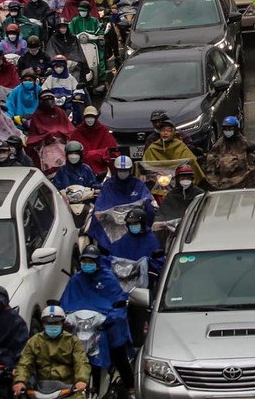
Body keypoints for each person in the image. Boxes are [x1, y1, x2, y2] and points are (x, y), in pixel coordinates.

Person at [59, 245, 134, 383]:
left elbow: (119, 300)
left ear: (98, 262)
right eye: (84, 261)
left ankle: (130, 387)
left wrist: (111, 317)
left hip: (106, 324)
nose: (87, 264)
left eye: (91, 261)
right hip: (81, 326)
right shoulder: (76, 279)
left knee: (118, 352)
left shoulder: (108, 279)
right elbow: (65, 302)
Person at [11, 305, 90, 397]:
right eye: (48, 323)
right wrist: (20, 381)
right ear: (43, 324)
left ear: (62, 323)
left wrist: (81, 380)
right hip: (40, 390)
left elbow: (81, 363)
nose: (52, 326)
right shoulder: (34, 341)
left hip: (67, 389)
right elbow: (24, 363)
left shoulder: (73, 341)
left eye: (56, 323)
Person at [89, 155, 156, 249]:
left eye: (125, 170)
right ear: (116, 170)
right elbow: (100, 207)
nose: (123, 173)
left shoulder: (138, 184)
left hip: (135, 224)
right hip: (113, 226)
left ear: (131, 170)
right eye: (120, 170)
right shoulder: (109, 185)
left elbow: (147, 204)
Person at [142, 118, 206, 188]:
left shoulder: (179, 144)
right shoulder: (153, 147)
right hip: (160, 177)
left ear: (173, 132)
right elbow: (146, 163)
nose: (165, 133)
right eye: (163, 131)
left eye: (168, 131)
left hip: (179, 175)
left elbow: (191, 160)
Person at [204, 116, 255, 190]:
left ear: (236, 128)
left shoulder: (243, 142)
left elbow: (253, 163)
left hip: (240, 182)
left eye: (230, 128)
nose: (227, 131)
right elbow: (211, 158)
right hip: (222, 181)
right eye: (225, 129)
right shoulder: (220, 143)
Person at [72, 106, 117, 176]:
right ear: (84, 117)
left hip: (103, 168)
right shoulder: (77, 132)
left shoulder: (103, 130)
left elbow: (113, 150)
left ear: (96, 117)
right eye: (87, 117)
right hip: (81, 169)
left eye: (92, 117)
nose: (89, 120)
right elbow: (72, 151)